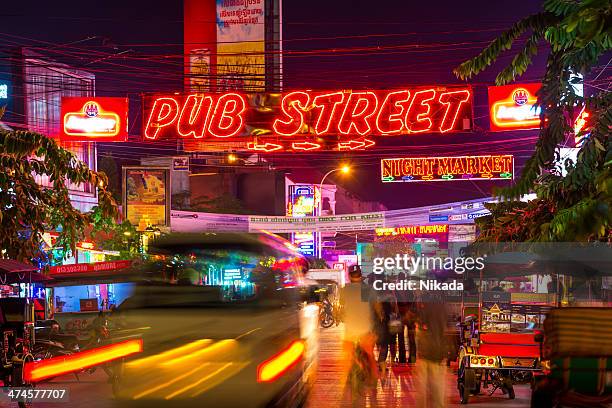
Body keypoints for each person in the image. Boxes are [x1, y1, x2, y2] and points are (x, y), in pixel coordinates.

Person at [339, 265, 378, 399]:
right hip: (365, 330)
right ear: (360, 275)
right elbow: (377, 308)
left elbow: (339, 308)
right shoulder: (368, 289)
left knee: (348, 357)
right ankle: (374, 381)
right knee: (371, 355)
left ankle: (349, 375)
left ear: (349, 276)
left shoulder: (344, 290)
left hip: (350, 331)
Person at [416, 294, 449, 408]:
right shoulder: (442, 310)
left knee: (422, 386)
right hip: (438, 353)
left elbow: (420, 327)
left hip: (425, 352)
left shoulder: (424, 311)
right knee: (438, 385)